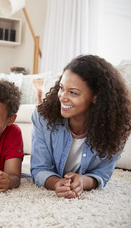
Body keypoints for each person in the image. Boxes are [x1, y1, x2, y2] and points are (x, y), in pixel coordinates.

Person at [31, 54, 131, 199]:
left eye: (73, 92)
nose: (62, 97)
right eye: (61, 88)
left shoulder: (116, 127)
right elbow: (40, 168)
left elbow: (102, 174)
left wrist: (83, 181)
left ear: (96, 96)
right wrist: (56, 183)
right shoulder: (42, 117)